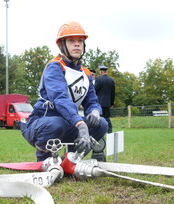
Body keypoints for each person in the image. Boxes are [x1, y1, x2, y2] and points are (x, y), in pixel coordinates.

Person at [19, 21, 108, 162]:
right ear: (62, 45)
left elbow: (92, 101)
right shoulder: (54, 67)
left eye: (80, 41)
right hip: (42, 124)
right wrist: (81, 124)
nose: (77, 44)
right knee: (57, 123)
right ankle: (44, 160)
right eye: (71, 41)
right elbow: (60, 99)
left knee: (102, 123)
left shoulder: (85, 73)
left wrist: (95, 112)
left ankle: (72, 159)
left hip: (69, 123)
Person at [95, 65, 115, 133]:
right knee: (107, 118)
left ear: (101, 71)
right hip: (107, 103)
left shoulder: (98, 79)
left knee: (99, 118)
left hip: (99, 102)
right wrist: (111, 103)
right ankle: (109, 131)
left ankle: (100, 132)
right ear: (106, 71)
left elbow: (95, 90)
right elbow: (113, 93)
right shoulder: (111, 80)